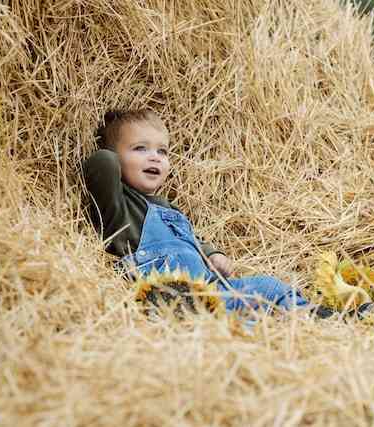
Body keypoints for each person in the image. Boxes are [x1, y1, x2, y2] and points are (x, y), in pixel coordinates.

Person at [83, 109, 334, 317]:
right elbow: (102, 163)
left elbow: (194, 242)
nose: (155, 158)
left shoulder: (170, 209)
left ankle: (318, 315)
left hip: (210, 291)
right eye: (140, 148)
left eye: (162, 151)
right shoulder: (121, 206)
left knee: (268, 286)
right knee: (219, 314)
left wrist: (213, 254)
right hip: (167, 293)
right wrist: (110, 148)